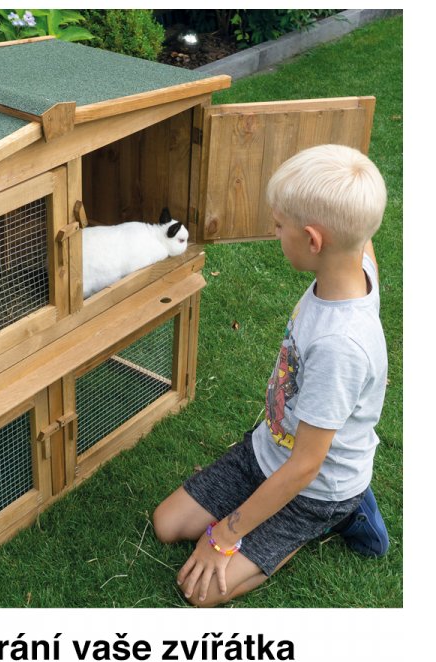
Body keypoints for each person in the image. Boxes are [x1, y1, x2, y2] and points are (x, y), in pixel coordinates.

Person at [153, 143, 390, 607]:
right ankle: (271, 509)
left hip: (315, 489)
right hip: (267, 451)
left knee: (199, 592)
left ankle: (343, 514)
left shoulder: (339, 347)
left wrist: (225, 535)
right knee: (167, 525)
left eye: (280, 225)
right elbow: (363, 239)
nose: (274, 231)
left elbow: (305, 466)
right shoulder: (354, 259)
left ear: (314, 240)